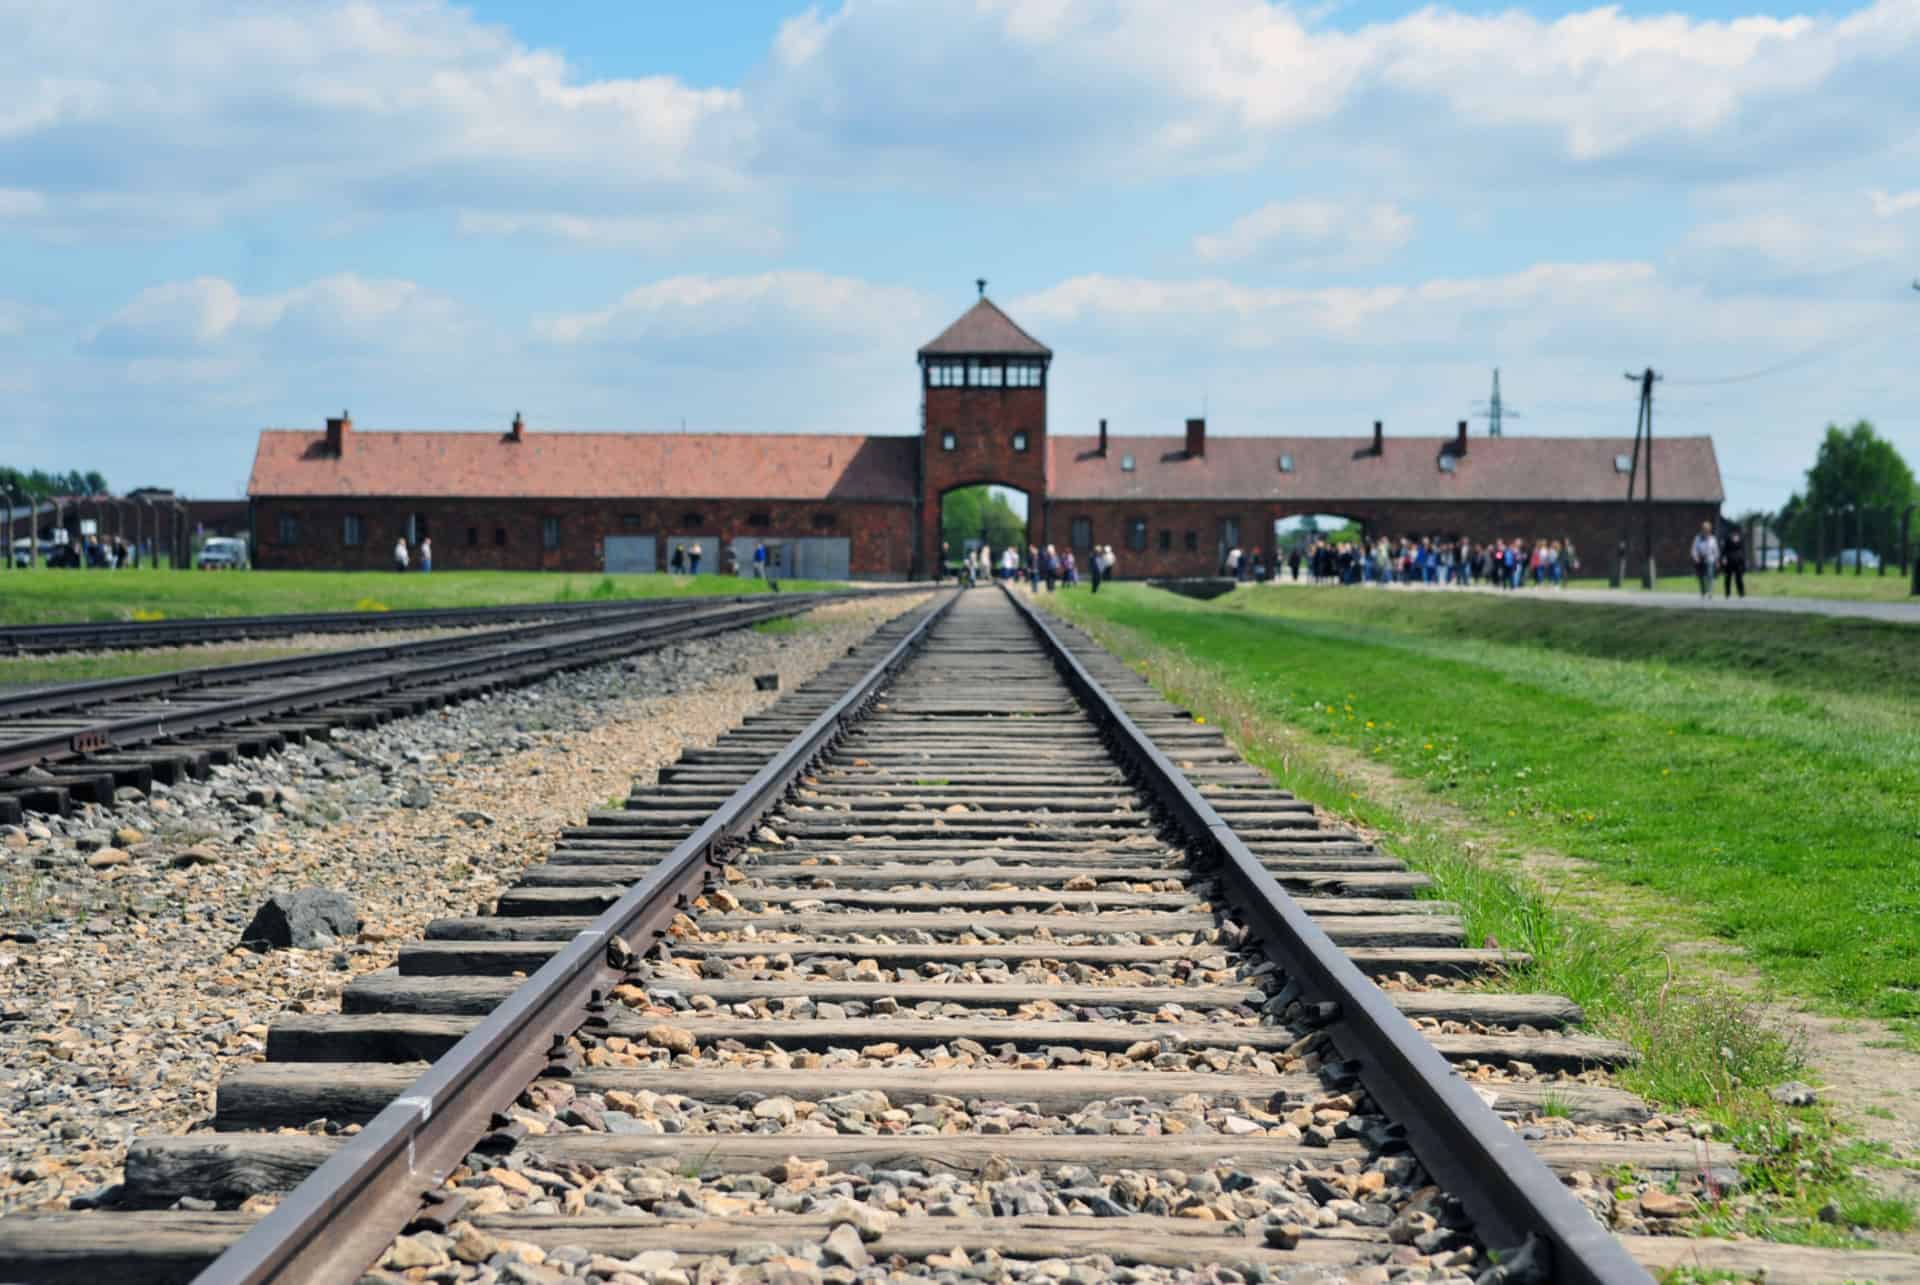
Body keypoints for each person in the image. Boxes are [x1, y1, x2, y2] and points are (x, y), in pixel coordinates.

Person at [1691, 522, 1719, 599]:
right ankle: (1703, 592)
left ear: (1709, 530)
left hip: (1710, 559)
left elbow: (1716, 550)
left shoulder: (1713, 539)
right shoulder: (1698, 538)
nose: (1706, 530)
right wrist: (1695, 557)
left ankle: (1710, 592)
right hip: (1700, 560)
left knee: (1710, 576)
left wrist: (1717, 560)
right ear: (1702, 529)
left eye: (1707, 529)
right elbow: (1694, 549)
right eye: (1704, 529)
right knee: (1701, 577)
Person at [1721, 526, 1747, 599]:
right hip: (1729, 560)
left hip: (1738, 560)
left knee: (1739, 578)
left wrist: (1744, 560)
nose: (1734, 532)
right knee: (1728, 578)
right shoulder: (1727, 538)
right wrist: (1723, 558)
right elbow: (1724, 549)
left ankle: (1741, 593)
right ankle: (1727, 593)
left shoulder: (1741, 538)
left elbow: (1743, 549)